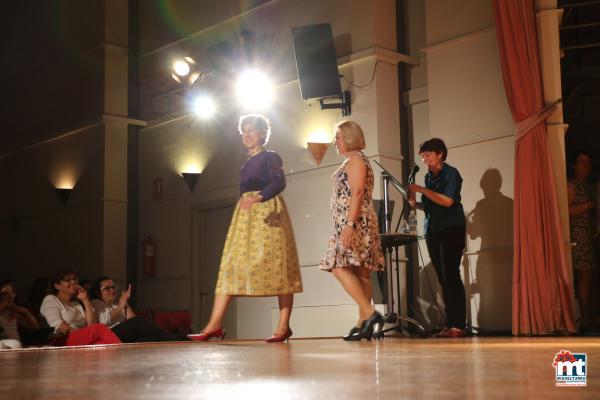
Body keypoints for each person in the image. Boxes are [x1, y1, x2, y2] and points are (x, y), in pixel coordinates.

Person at [189, 114, 303, 343]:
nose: (247, 135)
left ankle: (283, 327)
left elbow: (279, 182)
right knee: (230, 265)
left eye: (251, 130)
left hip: (268, 213)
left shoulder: (270, 156)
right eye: (244, 131)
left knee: (279, 267)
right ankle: (214, 324)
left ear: (262, 134)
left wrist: (259, 197)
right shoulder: (245, 163)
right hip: (245, 218)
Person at [319, 120, 385, 341]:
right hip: (355, 221)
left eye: (337, 137)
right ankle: (363, 323)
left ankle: (369, 314)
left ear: (348, 137)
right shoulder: (354, 160)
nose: (334, 142)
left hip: (354, 222)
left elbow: (357, 193)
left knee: (336, 266)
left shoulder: (356, 160)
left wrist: (349, 225)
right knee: (361, 272)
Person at [408, 138, 467, 338]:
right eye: (422, 156)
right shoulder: (427, 177)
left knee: (451, 274)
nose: (424, 159)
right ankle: (450, 324)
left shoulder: (451, 173)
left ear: (440, 153)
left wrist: (424, 191)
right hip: (433, 231)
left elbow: (448, 201)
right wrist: (415, 204)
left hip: (452, 229)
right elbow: (432, 205)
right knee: (442, 278)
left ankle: (458, 324)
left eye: (427, 155)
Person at [91, 276, 189, 342]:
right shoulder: (96, 303)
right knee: (140, 323)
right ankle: (173, 339)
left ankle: (172, 341)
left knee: (146, 335)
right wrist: (121, 306)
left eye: (113, 287)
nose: (112, 290)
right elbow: (102, 322)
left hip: (123, 334)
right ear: (98, 292)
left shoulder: (117, 304)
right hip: (108, 334)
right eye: (107, 288)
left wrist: (125, 303)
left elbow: (132, 320)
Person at [40, 271, 121, 346]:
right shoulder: (51, 299)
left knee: (102, 343)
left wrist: (85, 300)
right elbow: (58, 326)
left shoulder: (76, 304)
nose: (73, 282)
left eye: (74, 279)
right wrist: (85, 333)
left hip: (79, 337)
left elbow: (92, 324)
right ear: (57, 285)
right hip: (62, 339)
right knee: (99, 328)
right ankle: (123, 354)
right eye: (68, 280)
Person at [567, 150, 599, 333]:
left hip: (592, 236)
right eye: (581, 162)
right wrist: (588, 206)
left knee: (593, 279)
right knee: (584, 278)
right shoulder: (571, 185)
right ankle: (585, 320)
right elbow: (566, 211)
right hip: (579, 236)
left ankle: (593, 318)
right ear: (573, 165)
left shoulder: (591, 187)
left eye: (588, 162)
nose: (585, 166)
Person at [0, 280, 40, 349]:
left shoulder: (13, 314)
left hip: (16, 346)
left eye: (12, 293)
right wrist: (3, 305)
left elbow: (35, 327)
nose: (10, 296)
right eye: (4, 293)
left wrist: (25, 311)